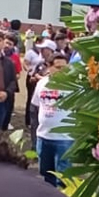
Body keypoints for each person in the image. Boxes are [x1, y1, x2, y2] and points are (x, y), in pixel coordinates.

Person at [34, 53, 73, 186]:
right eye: (58, 67)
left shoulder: (75, 86)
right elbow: (36, 106)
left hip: (64, 138)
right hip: (44, 136)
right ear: (49, 67)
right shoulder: (41, 83)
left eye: (65, 67)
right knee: (46, 175)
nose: (62, 71)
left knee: (64, 179)